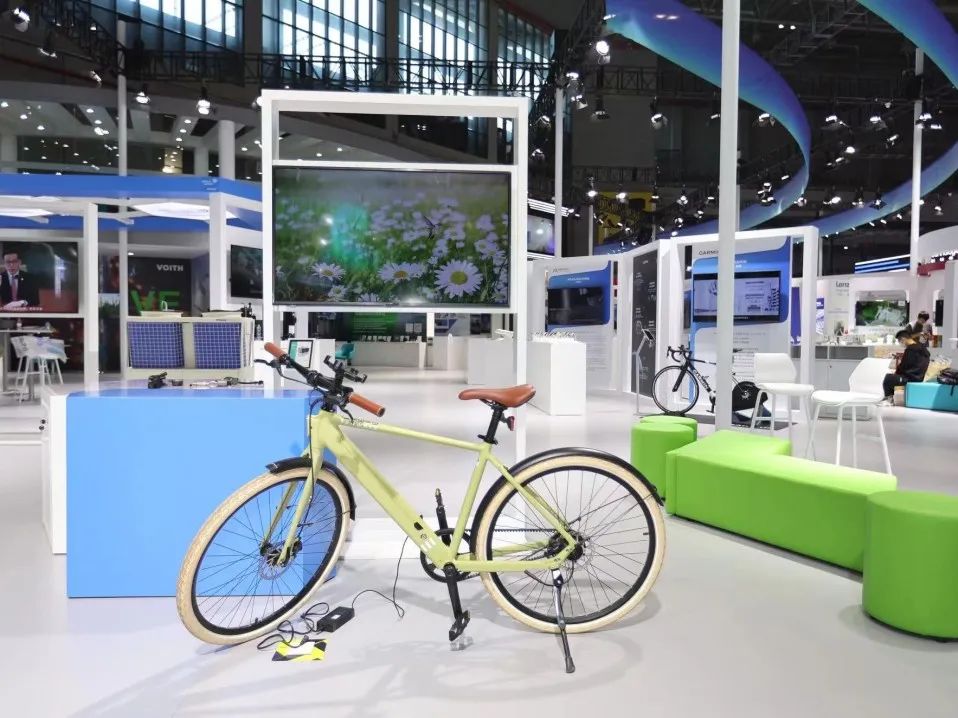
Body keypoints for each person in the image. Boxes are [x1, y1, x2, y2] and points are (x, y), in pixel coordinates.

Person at [882, 329, 930, 402]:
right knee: (893, 378)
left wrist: (896, 374)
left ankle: (888, 400)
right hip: (919, 378)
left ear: (903, 339)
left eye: (899, 341)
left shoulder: (910, 350)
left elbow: (904, 366)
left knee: (888, 379)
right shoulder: (923, 349)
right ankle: (892, 399)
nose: (900, 343)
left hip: (910, 378)